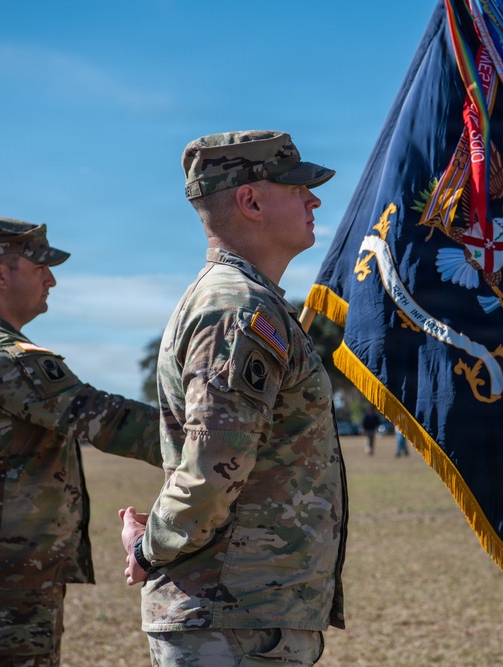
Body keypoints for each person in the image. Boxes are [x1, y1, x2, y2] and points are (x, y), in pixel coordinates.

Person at [118, 131, 346, 666]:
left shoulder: (246, 303)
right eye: (297, 186)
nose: (313, 199)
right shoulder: (236, 310)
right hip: (230, 623)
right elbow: (211, 469)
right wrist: (146, 548)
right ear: (251, 201)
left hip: (242, 618)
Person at [0, 217, 163, 667]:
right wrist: (213, 437)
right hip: (3, 579)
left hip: (8, 574)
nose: (51, 278)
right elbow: (104, 418)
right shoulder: (2, 356)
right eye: (40, 267)